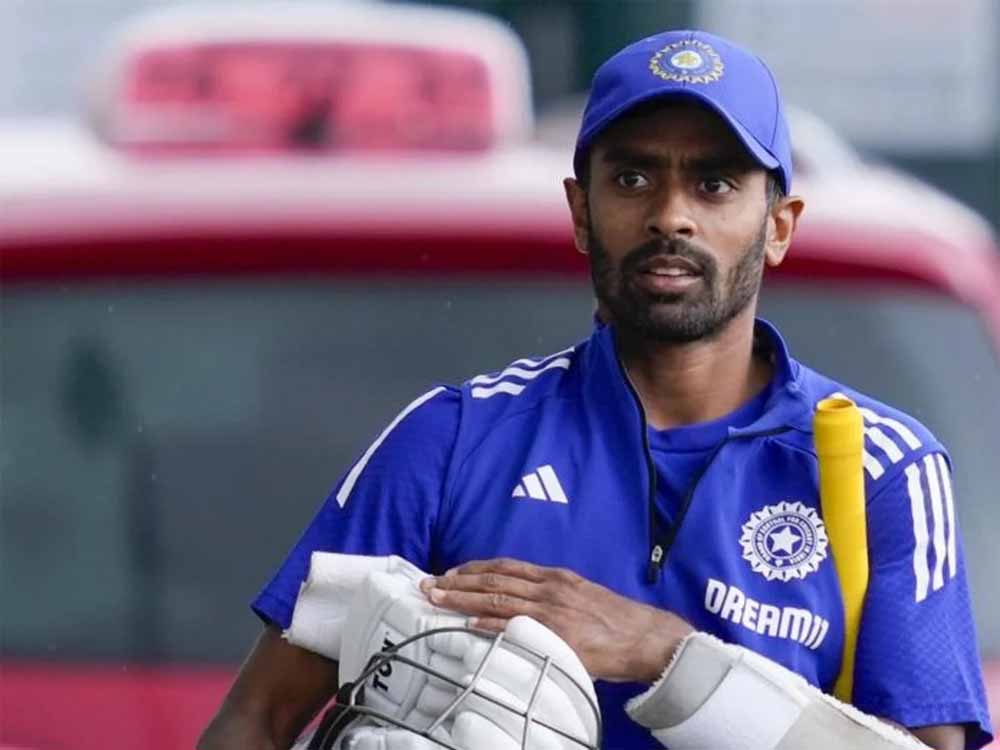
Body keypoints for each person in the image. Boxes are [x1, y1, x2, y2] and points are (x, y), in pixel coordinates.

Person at [199, 30, 993, 750]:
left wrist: (664, 654)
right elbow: (256, 721)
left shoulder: (882, 469)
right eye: (634, 177)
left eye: (715, 184)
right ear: (582, 210)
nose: (671, 216)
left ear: (779, 225)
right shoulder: (453, 439)